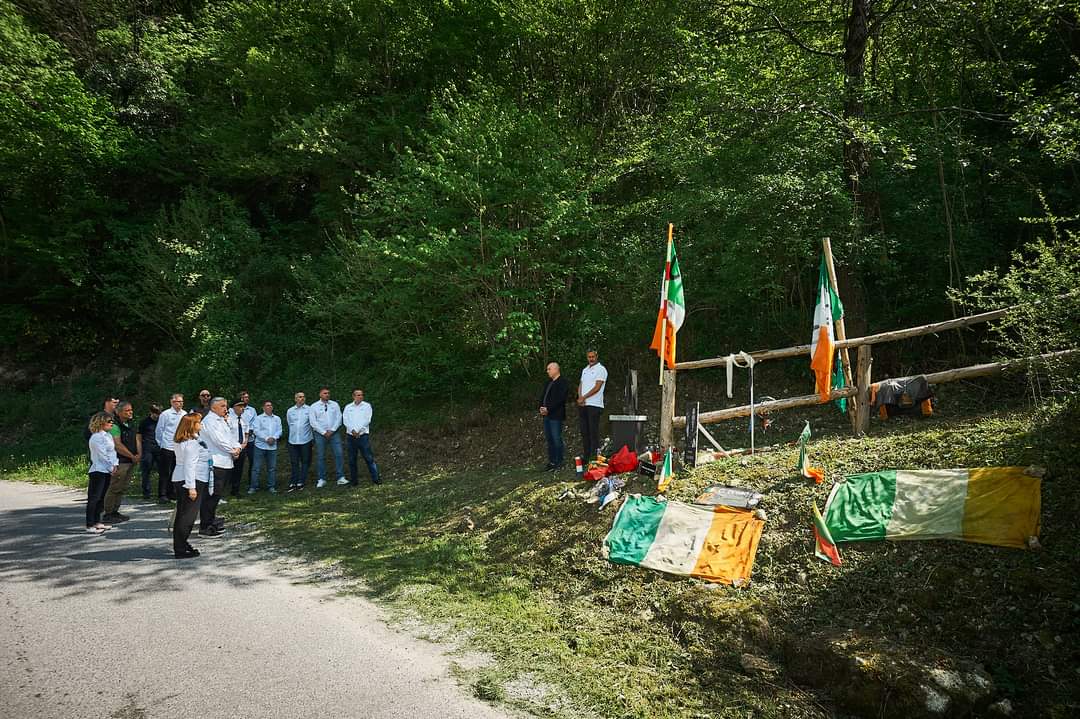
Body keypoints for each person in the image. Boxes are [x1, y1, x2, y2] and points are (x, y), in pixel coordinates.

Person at [198, 397, 241, 537]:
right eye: (222, 406)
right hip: (215, 462)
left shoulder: (222, 420)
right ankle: (205, 526)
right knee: (211, 495)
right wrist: (232, 450)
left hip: (225, 461)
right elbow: (218, 440)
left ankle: (211, 520)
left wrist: (237, 447)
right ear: (213, 408)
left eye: (226, 406)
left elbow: (231, 436)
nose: (225, 408)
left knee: (217, 494)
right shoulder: (209, 421)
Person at [171, 413, 207, 559]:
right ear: (192, 425)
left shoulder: (185, 441)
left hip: (180, 477)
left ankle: (182, 543)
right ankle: (180, 547)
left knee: (182, 514)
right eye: (199, 422)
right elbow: (189, 465)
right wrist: (191, 487)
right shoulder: (191, 443)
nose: (202, 424)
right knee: (187, 516)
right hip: (189, 479)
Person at [102, 401, 140, 524]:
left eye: (131, 410)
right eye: (127, 411)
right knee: (114, 487)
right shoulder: (115, 426)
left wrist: (139, 454)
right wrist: (131, 456)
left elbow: (137, 439)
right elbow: (117, 445)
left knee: (122, 487)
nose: (130, 412)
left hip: (131, 460)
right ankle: (108, 513)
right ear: (119, 412)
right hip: (120, 461)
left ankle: (115, 511)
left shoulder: (130, 424)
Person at [86, 412, 118, 534]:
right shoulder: (96, 437)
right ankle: (90, 524)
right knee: (94, 498)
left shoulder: (108, 436)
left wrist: (115, 463)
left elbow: (112, 451)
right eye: (109, 422)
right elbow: (102, 454)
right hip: (98, 470)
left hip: (107, 470)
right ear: (101, 422)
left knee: (101, 498)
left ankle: (97, 521)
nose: (112, 424)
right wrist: (111, 467)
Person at [343, 389, 381, 486]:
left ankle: (376, 479)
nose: (360, 396)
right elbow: (345, 420)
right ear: (353, 396)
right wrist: (353, 431)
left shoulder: (367, 406)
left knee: (368, 458)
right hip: (351, 436)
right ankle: (354, 481)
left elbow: (367, 419)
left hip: (363, 435)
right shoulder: (348, 407)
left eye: (362, 395)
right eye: (358, 395)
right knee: (352, 459)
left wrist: (359, 431)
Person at [309, 386, 345, 488]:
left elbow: (339, 418)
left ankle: (340, 477)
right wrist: (324, 432)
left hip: (334, 433)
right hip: (320, 434)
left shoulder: (334, 404)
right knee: (320, 456)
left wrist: (332, 430)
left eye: (328, 393)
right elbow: (313, 422)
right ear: (320, 394)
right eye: (325, 393)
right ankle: (321, 479)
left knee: (339, 454)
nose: (327, 395)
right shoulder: (314, 406)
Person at [576, 349, 608, 461]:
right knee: (584, 431)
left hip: (594, 404)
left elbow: (597, 387)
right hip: (583, 404)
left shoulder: (601, 369)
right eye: (589, 357)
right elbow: (581, 384)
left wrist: (584, 397)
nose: (591, 359)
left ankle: (594, 456)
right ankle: (586, 455)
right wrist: (580, 397)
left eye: (593, 356)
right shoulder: (585, 370)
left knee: (593, 431)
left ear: (596, 356)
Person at [154, 393, 185, 502]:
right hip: (167, 446)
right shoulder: (165, 414)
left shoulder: (184, 414)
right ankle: (162, 494)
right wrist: (162, 444)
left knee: (176, 471)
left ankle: (172, 492)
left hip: (180, 447)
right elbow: (159, 430)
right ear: (172, 402)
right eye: (178, 402)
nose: (180, 404)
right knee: (165, 471)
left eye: (181, 402)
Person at [538, 362, 569, 471]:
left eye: (549, 369)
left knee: (556, 438)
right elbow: (543, 396)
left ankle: (559, 462)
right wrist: (541, 407)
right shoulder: (549, 382)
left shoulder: (562, 382)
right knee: (549, 439)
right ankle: (552, 461)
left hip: (556, 415)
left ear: (556, 369)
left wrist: (549, 409)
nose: (547, 371)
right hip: (546, 416)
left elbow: (560, 399)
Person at [249, 400, 282, 493]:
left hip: (272, 447)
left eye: (271, 405)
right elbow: (256, 431)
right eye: (267, 405)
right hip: (260, 446)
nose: (269, 407)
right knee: (256, 468)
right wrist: (267, 438)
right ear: (263, 408)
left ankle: (271, 486)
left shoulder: (277, 418)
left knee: (272, 468)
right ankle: (253, 487)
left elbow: (279, 431)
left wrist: (274, 438)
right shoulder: (258, 418)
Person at [286, 391, 312, 492]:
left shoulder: (309, 410)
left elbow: (311, 423)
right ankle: (293, 481)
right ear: (295, 399)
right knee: (294, 462)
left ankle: (301, 481)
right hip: (292, 441)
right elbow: (289, 424)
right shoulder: (290, 411)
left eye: (303, 397)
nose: (302, 398)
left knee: (305, 462)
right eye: (300, 397)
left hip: (305, 440)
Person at [138, 404, 161, 499]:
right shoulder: (144, 422)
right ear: (151, 412)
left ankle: (162, 492)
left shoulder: (161, 421)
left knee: (163, 471)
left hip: (159, 447)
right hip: (147, 448)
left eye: (159, 413)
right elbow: (139, 436)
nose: (157, 415)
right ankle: (146, 492)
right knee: (146, 470)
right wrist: (139, 450)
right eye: (155, 413)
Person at [229, 399, 251, 497]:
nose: (243, 408)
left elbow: (246, 433)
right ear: (234, 407)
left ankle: (235, 489)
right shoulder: (228, 419)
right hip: (231, 448)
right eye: (240, 406)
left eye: (243, 406)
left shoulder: (243, 419)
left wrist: (244, 444)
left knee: (239, 469)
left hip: (242, 447)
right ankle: (224, 489)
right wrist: (234, 449)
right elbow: (226, 435)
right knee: (228, 469)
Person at [236, 390, 257, 490]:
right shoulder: (235, 409)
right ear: (241, 398)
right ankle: (234, 484)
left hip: (251, 440)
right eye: (245, 397)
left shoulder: (252, 410)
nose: (247, 399)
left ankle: (251, 482)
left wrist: (251, 431)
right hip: (239, 441)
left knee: (252, 461)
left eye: (248, 397)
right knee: (237, 463)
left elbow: (255, 422)